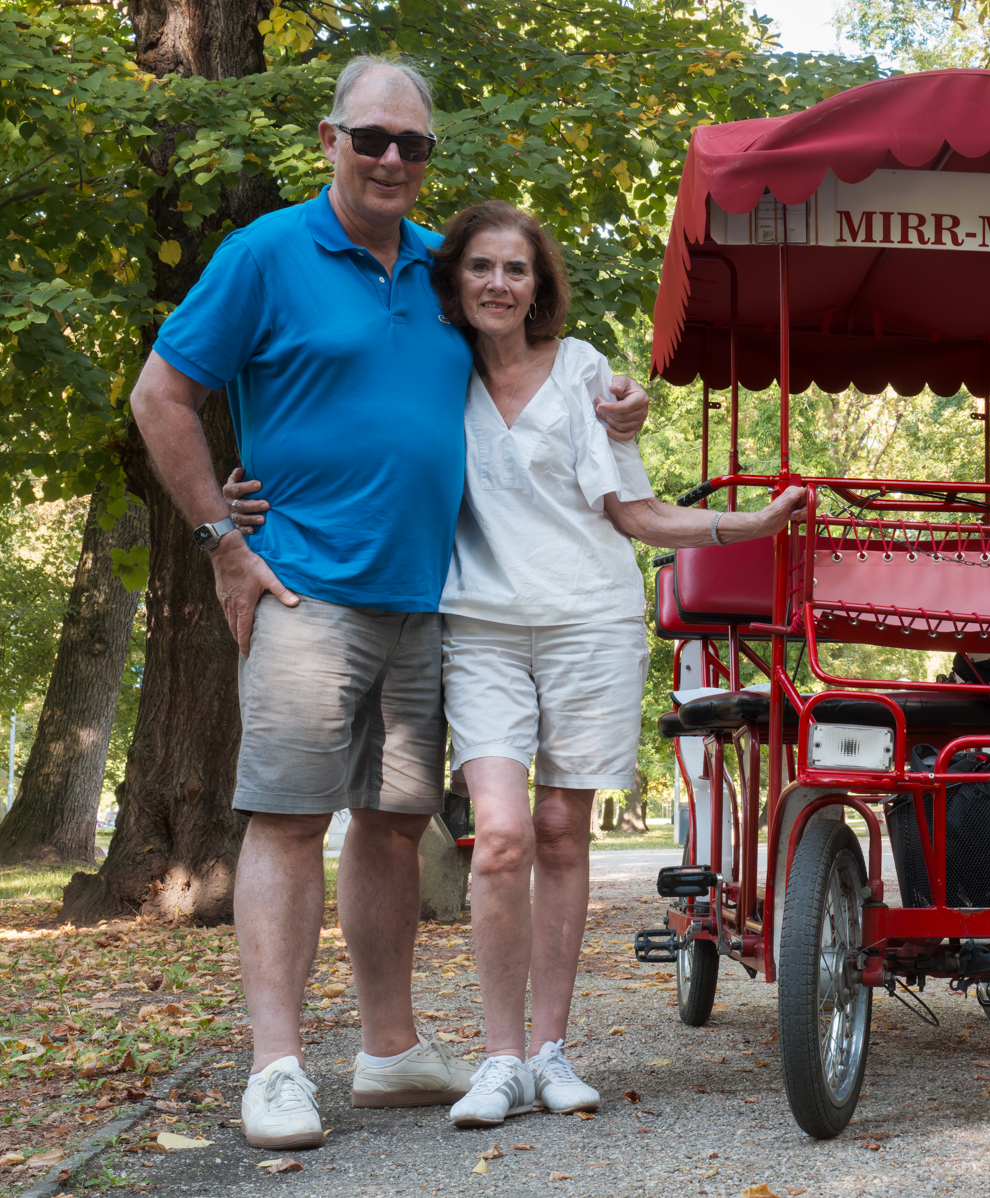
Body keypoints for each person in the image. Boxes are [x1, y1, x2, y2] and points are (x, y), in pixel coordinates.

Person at [129, 54, 650, 1151]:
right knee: (287, 816)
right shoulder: (265, 253)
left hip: (435, 599)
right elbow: (162, 395)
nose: (392, 159)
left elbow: (532, 370)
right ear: (331, 138)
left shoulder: (442, 271)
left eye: (412, 144)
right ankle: (276, 1067)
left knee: (395, 821)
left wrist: (616, 403)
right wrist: (222, 540)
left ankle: (388, 1048)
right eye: (372, 137)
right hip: (307, 590)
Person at [231, 200, 804, 1128]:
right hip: (480, 628)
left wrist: (746, 526)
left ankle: (550, 1051)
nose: (499, 284)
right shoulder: (435, 370)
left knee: (562, 831)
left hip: (589, 623)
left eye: (518, 270)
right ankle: (498, 1060)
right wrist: (246, 495)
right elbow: (355, 439)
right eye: (482, 268)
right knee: (498, 835)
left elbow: (636, 514)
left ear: (540, 287)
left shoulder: (583, 373)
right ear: (453, 281)